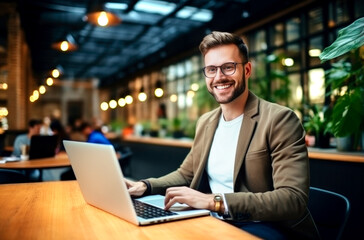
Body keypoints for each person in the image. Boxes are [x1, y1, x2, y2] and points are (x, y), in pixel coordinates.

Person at [126, 31, 319, 239]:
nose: (219, 77)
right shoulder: (206, 122)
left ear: (246, 69)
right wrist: (145, 186)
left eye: (228, 67)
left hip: (268, 226)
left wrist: (214, 201)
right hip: (215, 221)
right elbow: (186, 174)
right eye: (211, 69)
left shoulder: (280, 119)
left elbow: (292, 199)